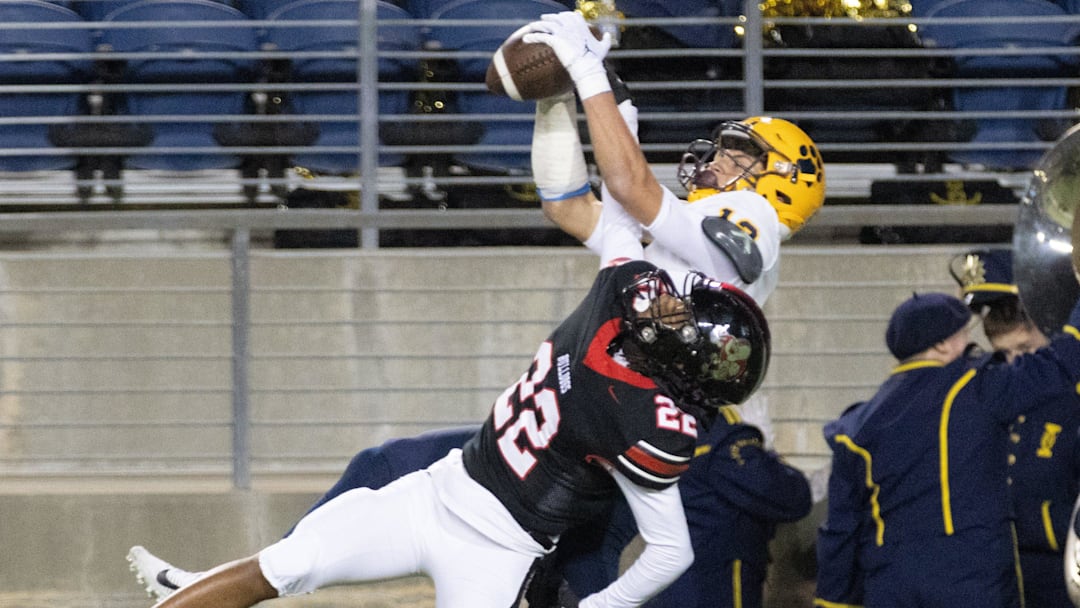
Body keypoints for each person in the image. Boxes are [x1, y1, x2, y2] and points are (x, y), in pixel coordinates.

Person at [129, 219, 774, 608]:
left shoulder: (648, 425)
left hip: (497, 553)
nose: (669, 304)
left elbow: (670, 551)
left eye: (683, 318)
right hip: (432, 493)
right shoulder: (619, 294)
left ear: (683, 359)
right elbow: (618, 217)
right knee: (288, 564)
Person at [131, 404, 811, 608]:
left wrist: (734, 438)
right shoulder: (603, 352)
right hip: (552, 498)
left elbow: (679, 545)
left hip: (585, 530)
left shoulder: (701, 430)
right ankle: (252, 573)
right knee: (382, 467)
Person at [526, 19, 826, 307]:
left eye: (740, 157)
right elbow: (566, 208)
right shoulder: (693, 236)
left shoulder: (756, 213)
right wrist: (555, 97)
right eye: (722, 152)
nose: (720, 161)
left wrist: (587, 72)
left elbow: (628, 186)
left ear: (785, 182)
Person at [814, 289, 1080, 608]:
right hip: (972, 586)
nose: (970, 346)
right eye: (964, 335)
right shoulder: (976, 389)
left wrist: (833, 603)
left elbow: (840, 532)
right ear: (942, 345)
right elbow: (1061, 363)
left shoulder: (855, 426)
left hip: (889, 587)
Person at [951, 248, 1080, 608]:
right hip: (1000, 574)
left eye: (1024, 349)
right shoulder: (986, 391)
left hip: (1064, 573)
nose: (1014, 365)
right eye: (1003, 354)